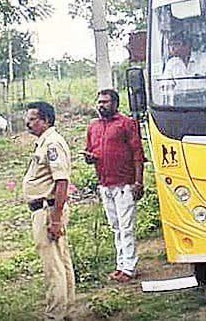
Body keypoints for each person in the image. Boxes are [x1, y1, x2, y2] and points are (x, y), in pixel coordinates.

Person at [80, 90, 145, 283]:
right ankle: (120, 264)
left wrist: (138, 182)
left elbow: (137, 153)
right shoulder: (93, 126)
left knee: (126, 227)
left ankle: (130, 267)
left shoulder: (126, 123)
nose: (101, 105)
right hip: (104, 183)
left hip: (124, 183)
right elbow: (91, 151)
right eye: (99, 102)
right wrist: (89, 158)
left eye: (106, 102)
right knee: (115, 226)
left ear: (115, 104)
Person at [22, 101, 76, 320]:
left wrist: (55, 220)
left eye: (33, 119)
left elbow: (61, 181)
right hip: (47, 209)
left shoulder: (52, 143)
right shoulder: (44, 142)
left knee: (53, 266)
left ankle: (55, 315)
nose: (28, 123)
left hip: (48, 210)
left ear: (46, 120)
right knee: (61, 261)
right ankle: (68, 310)